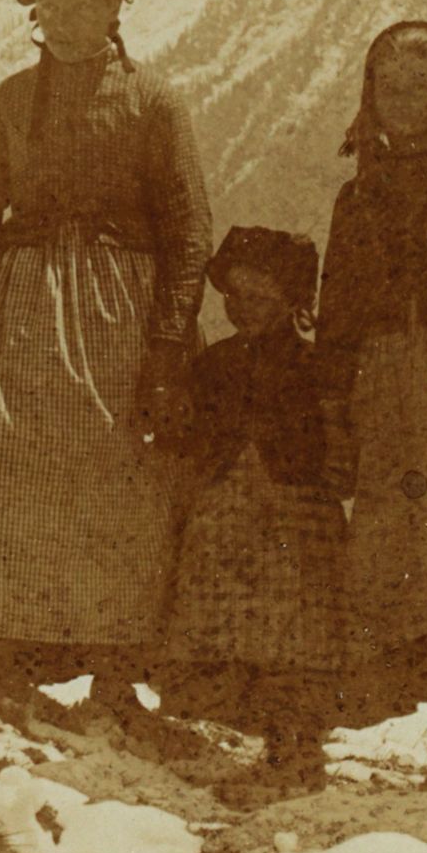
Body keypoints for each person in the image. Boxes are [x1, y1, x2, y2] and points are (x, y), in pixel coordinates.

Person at [0, 0, 210, 721]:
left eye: (82, 3)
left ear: (116, 6)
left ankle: (115, 666)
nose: (62, 21)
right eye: (48, 5)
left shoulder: (154, 102)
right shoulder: (7, 102)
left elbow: (189, 229)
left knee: (118, 479)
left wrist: (168, 344)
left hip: (121, 312)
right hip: (22, 311)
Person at [313, 21, 427, 771]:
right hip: (379, 383)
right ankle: (379, 697)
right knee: (386, 542)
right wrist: (332, 408)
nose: (404, 100)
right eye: (389, 86)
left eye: (422, 86)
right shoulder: (357, 196)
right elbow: (335, 312)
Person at [160, 226, 346, 790]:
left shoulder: (318, 366)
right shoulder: (216, 363)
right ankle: (246, 740)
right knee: (229, 625)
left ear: (292, 300)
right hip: (226, 514)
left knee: (295, 636)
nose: (243, 309)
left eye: (259, 297)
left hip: (296, 518)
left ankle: (296, 748)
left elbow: (340, 450)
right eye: (233, 297)